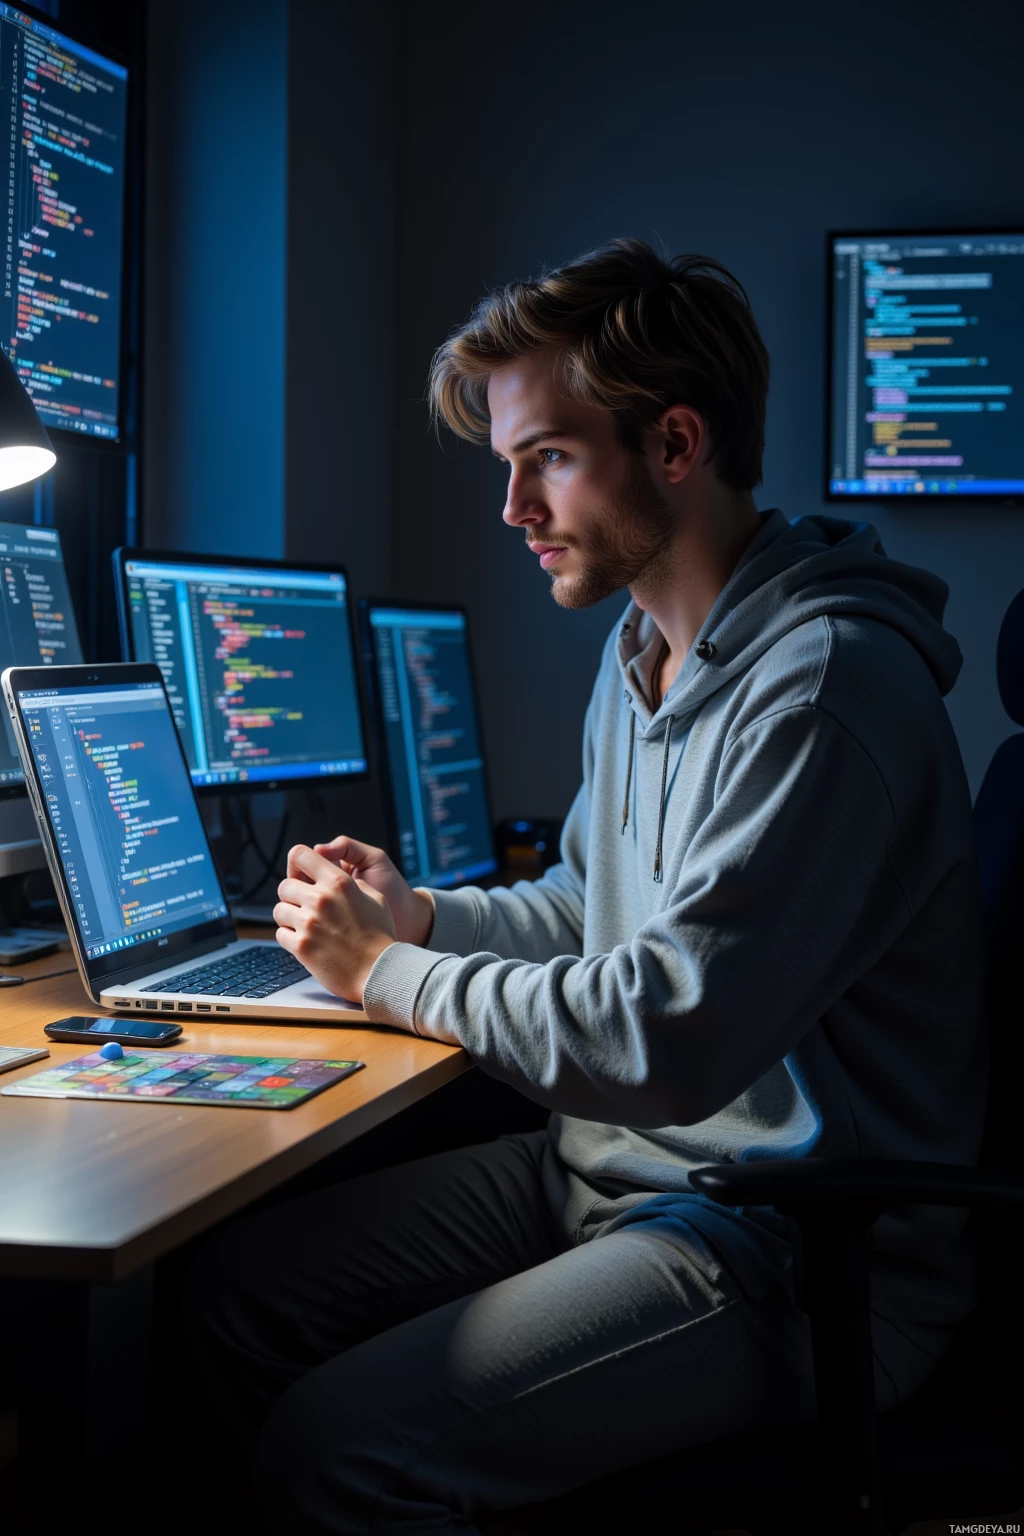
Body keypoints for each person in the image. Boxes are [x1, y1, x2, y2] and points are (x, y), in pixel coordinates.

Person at [188, 239, 986, 1534]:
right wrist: (426, 918)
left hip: (788, 1241)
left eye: (545, 459)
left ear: (674, 445)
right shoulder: (646, 652)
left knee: (336, 1452)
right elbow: (584, 910)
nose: (512, 510)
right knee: (233, 1298)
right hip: (618, 1175)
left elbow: (668, 1030)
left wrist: (386, 974)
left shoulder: (827, 688)